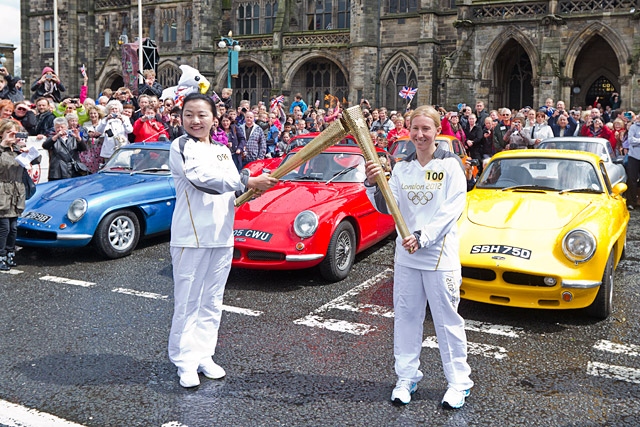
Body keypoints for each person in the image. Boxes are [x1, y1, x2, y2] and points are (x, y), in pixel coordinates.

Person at [364, 105, 473, 408]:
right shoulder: (402, 167)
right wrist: (374, 183)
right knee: (407, 317)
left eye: (426, 129)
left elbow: (452, 209)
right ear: (408, 131)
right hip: (407, 255)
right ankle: (407, 376)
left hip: (438, 254)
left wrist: (423, 237)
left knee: (446, 321)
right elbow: (390, 208)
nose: (420, 135)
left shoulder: (451, 165)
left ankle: (458, 382)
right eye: (415, 129)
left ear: (438, 130)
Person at [167, 93, 278, 388]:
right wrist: (246, 181)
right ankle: (185, 362)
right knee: (188, 302)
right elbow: (201, 179)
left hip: (221, 236)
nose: (195, 120)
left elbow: (231, 189)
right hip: (190, 237)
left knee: (212, 300)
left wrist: (255, 187)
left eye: (202, 115)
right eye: (189, 114)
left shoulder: (223, 150)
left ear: (214, 119)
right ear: (181, 118)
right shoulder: (180, 147)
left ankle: (204, 354)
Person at [0, 120, 29, 270]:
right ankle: (1, 255)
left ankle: (10, 254)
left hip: (17, 190)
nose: (13, 136)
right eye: (9, 132)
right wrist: (4, 144)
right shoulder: (1, 148)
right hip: (2, 190)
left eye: (15, 132)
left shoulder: (18, 149)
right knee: (4, 227)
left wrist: (27, 151)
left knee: (13, 227)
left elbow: (35, 161)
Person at [95, 100, 133, 164]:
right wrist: (106, 120)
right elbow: (98, 130)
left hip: (122, 147)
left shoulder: (125, 118)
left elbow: (129, 130)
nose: (114, 110)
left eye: (116, 109)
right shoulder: (105, 119)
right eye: (112, 109)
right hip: (109, 148)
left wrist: (122, 120)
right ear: (109, 110)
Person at [81, 105, 105, 173]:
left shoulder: (102, 123)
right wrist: (88, 135)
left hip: (100, 147)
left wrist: (99, 135)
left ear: (98, 114)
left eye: (95, 113)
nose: (93, 115)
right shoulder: (86, 124)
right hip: (89, 148)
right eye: (91, 113)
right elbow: (83, 135)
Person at [625, 114, 640, 210]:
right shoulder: (634, 127)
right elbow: (631, 140)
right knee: (632, 179)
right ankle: (632, 202)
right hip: (634, 157)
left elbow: (635, 140)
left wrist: (637, 140)